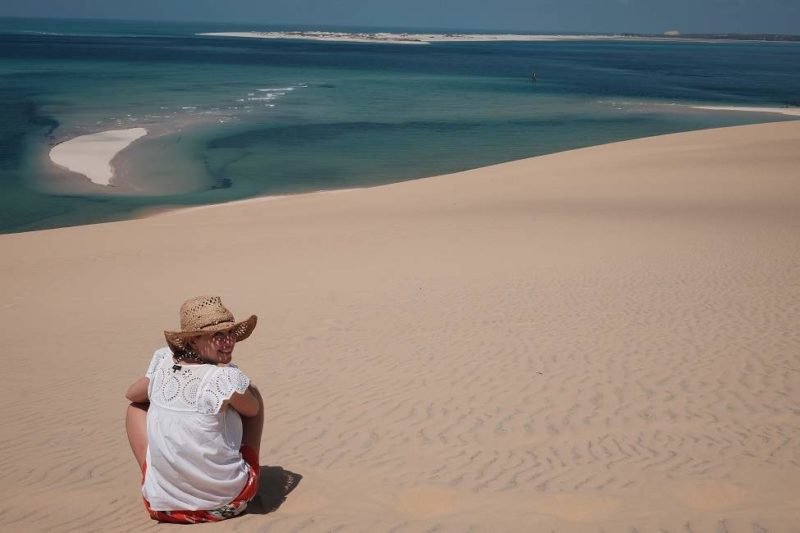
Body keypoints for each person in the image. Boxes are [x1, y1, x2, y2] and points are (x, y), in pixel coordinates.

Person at [125, 296, 264, 523]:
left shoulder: (165, 362)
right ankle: (249, 472)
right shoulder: (224, 378)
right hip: (228, 503)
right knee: (253, 394)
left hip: (162, 506)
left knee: (135, 409)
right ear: (192, 342)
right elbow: (253, 410)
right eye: (217, 336)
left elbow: (132, 395)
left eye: (230, 333)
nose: (228, 341)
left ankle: (160, 481)